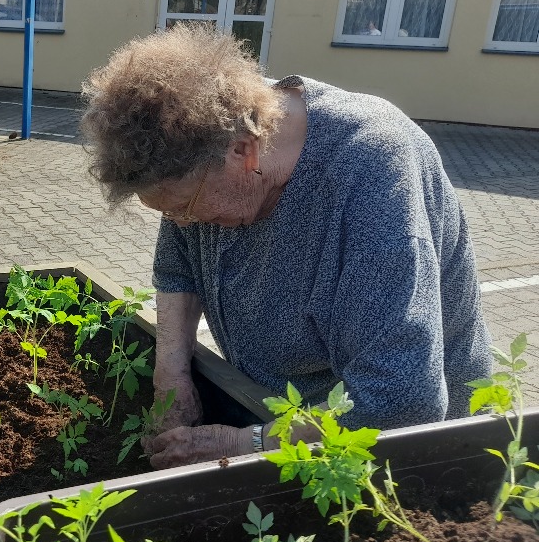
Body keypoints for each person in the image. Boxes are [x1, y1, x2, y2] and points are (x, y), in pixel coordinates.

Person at [78, 23, 492, 469]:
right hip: (282, 415)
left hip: (418, 456)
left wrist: (244, 443)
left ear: (245, 151)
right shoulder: (205, 144)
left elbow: (401, 398)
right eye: (169, 214)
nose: (184, 224)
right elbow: (178, 265)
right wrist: (172, 374)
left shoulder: (371, 171)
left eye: (186, 208)